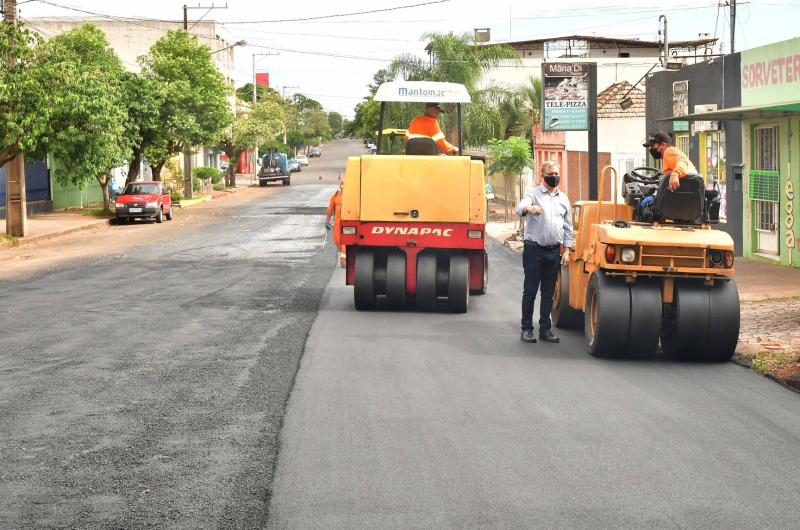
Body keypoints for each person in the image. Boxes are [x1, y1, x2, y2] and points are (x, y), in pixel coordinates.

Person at [515, 161, 573, 344]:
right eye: (550, 173)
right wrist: (529, 208)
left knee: (549, 293)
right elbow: (519, 208)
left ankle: (545, 330)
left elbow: (568, 228)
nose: (554, 176)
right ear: (542, 175)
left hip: (554, 252)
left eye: (557, 173)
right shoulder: (533, 194)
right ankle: (526, 329)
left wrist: (567, 251)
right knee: (530, 291)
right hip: (534, 250)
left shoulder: (563, 199)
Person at [326, 180, 346, 268]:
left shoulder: (352, 197)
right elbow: (330, 209)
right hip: (337, 223)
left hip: (347, 223)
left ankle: (343, 261)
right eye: (342, 187)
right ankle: (344, 256)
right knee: (337, 240)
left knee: (345, 242)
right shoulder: (335, 196)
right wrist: (327, 221)